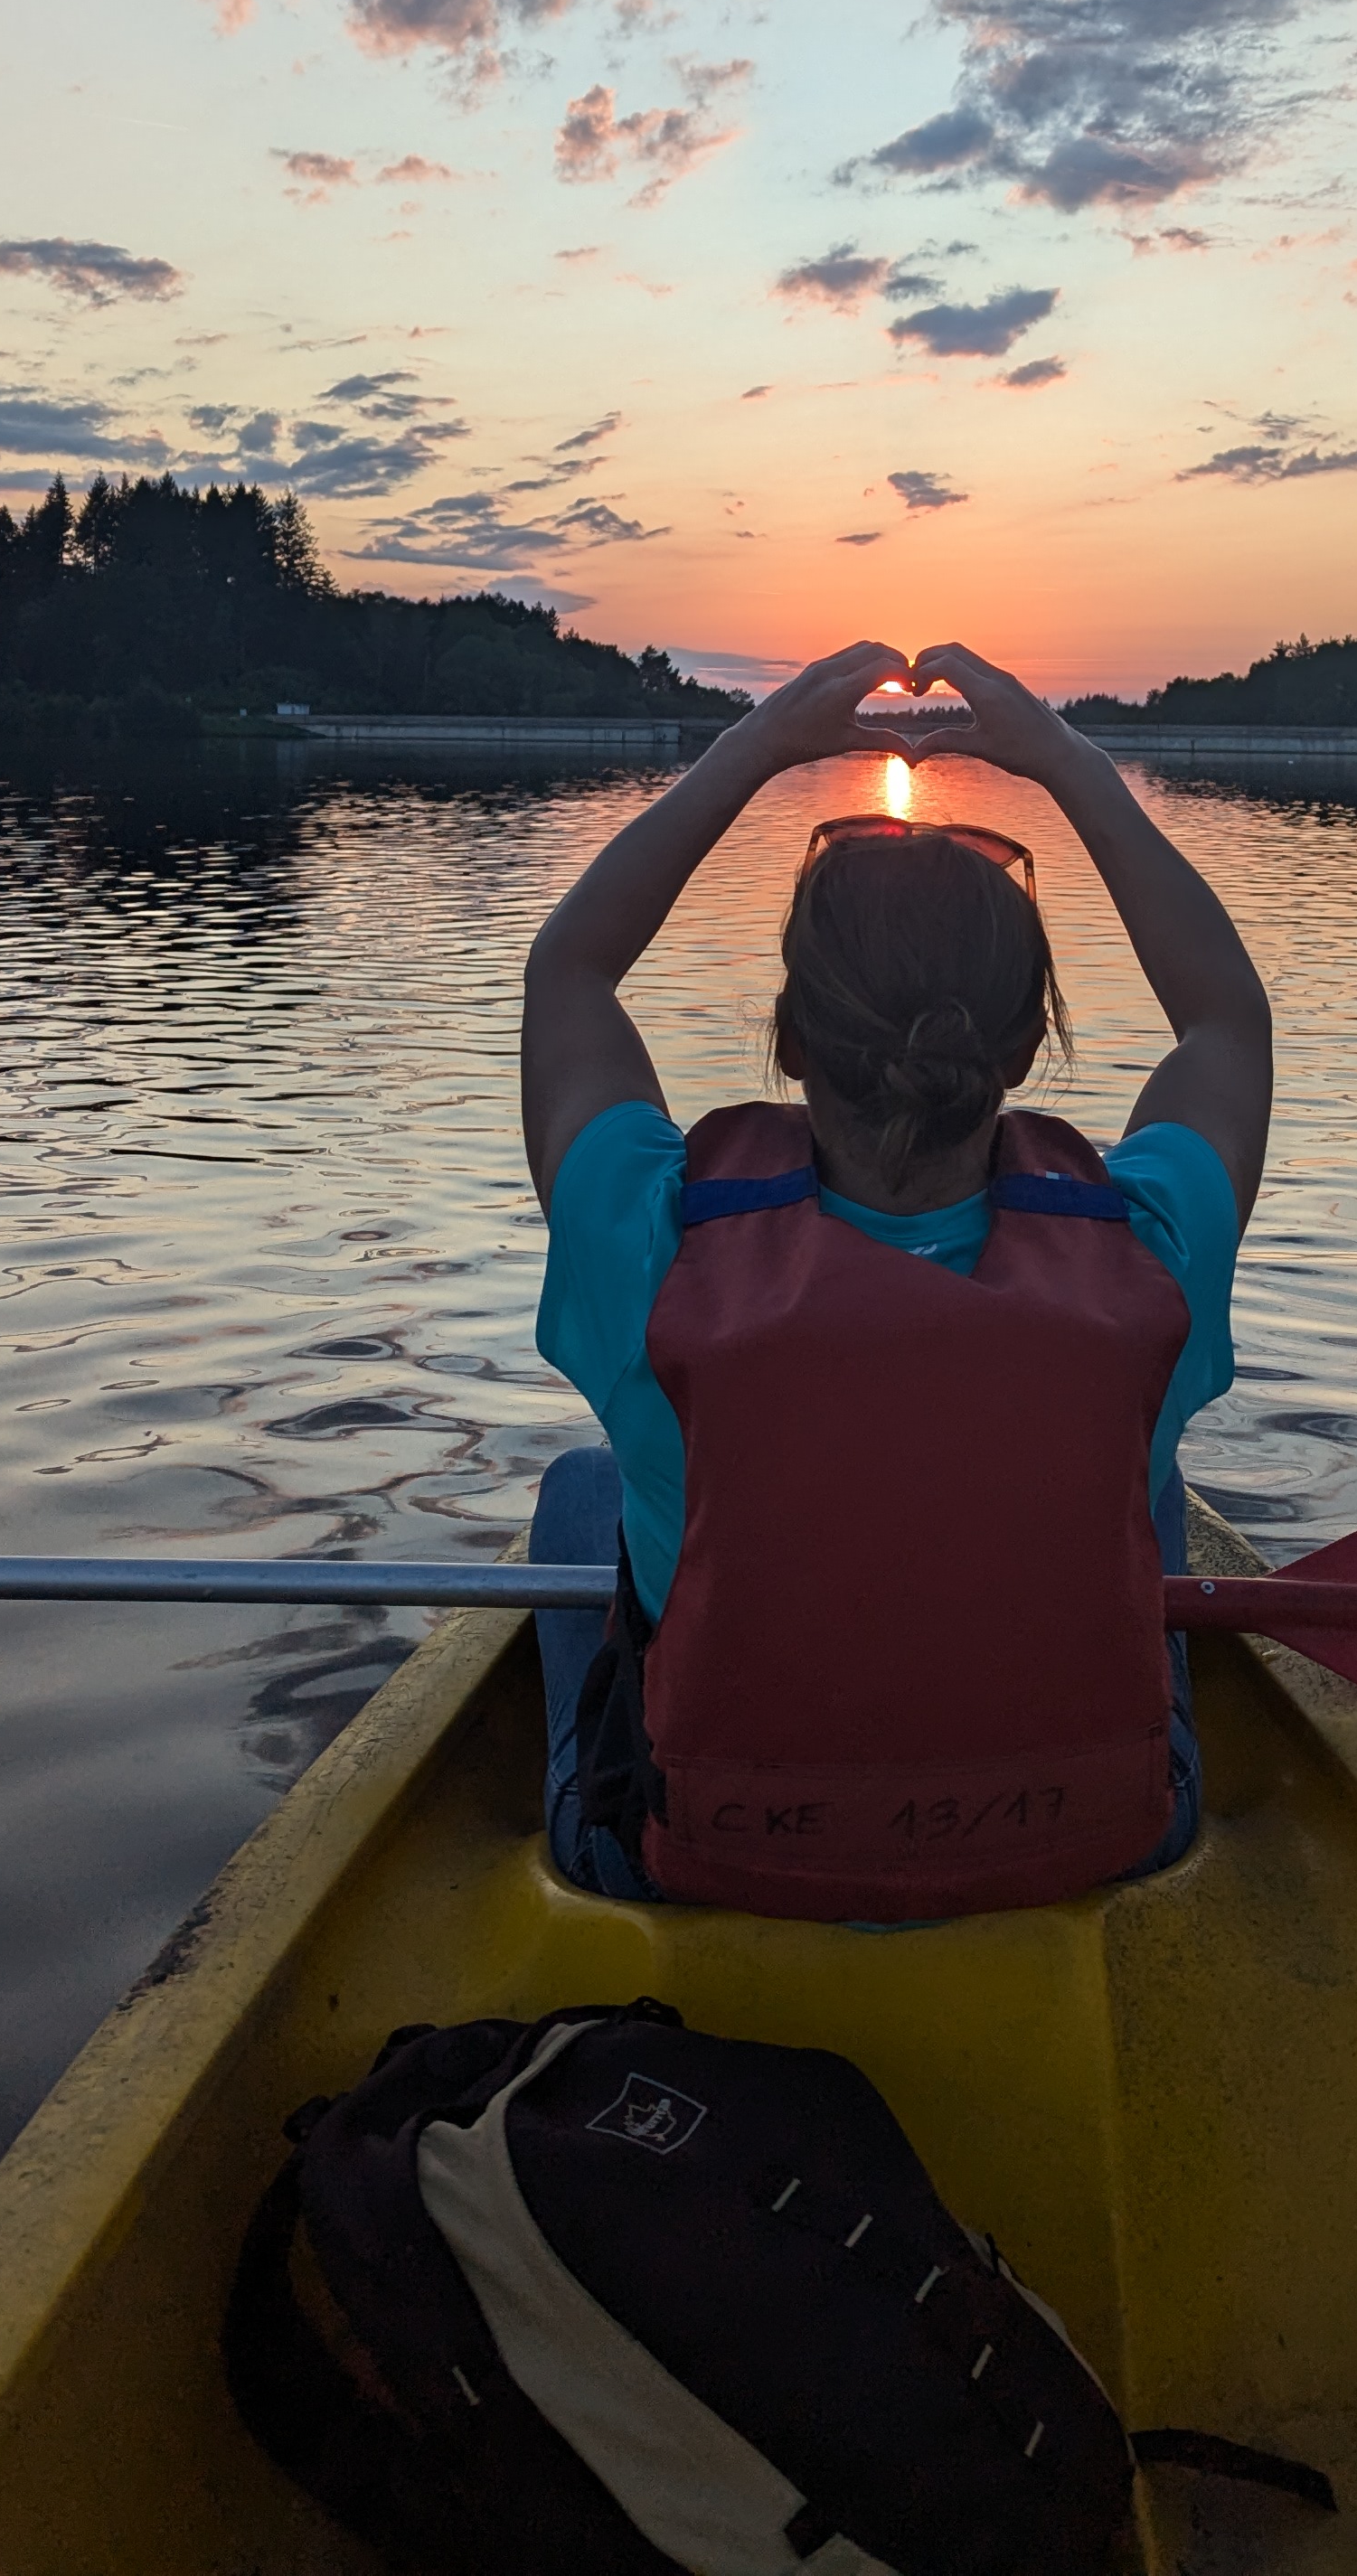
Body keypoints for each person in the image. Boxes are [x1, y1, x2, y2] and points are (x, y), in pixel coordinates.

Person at [519, 636, 1272, 1921]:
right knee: (1156, 1483)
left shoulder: (652, 1241)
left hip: (712, 1865)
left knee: (589, 1491)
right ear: (1029, 1047)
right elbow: (1225, 1024)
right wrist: (1070, 763)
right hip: (1096, 1848)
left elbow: (570, 969)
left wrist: (757, 747)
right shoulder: (1151, 1248)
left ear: (791, 1039)